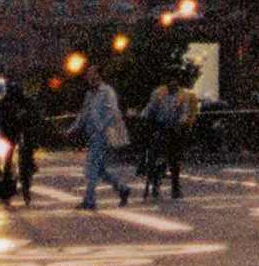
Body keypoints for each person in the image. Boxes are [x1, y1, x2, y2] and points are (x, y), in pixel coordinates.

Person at [77, 72, 131, 209]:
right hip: (93, 134)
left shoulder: (107, 91)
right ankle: (122, 188)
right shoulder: (89, 94)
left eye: (94, 76)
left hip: (104, 135)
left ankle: (90, 201)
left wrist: (102, 127)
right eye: (89, 77)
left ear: (100, 77)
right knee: (99, 169)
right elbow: (84, 114)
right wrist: (73, 129)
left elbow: (112, 111)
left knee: (92, 167)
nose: (91, 79)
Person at [137, 78, 186, 203]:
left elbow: (183, 112)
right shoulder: (159, 93)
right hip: (159, 127)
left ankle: (175, 187)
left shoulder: (181, 95)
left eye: (175, 81)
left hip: (174, 129)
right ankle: (154, 184)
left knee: (174, 160)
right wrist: (144, 117)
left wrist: (182, 121)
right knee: (156, 158)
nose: (173, 84)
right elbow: (151, 108)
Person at [0, 77, 38, 204]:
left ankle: (28, 166)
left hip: (23, 129)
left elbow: (35, 116)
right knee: (7, 158)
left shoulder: (26, 101)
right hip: (10, 130)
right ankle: (7, 183)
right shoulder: (3, 102)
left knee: (27, 149)